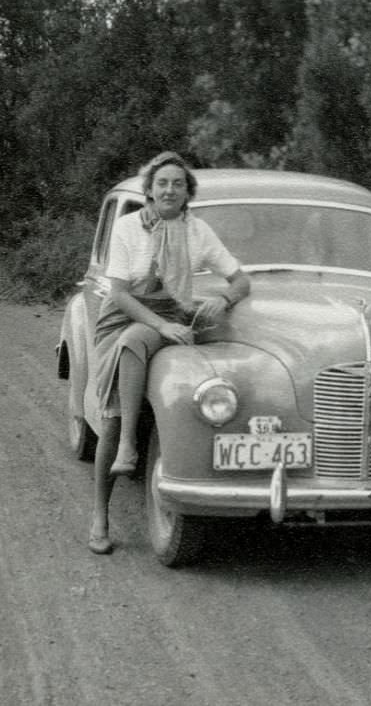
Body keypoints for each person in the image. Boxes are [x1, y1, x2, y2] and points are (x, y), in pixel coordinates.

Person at [88, 151, 250, 554]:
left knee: (145, 347)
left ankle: (132, 448)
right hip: (123, 319)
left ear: (187, 192)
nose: (170, 189)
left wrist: (225, 299)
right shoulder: (127, 228)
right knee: (112, 411)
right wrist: (161, 326)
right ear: (149, 190)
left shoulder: (197, 231)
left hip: (171, 317)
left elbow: (240, 278)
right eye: (162, 183)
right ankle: (101, 514)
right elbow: (120, 295)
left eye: (178, 183)